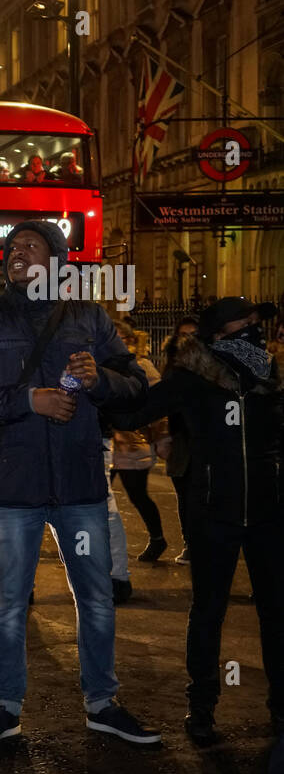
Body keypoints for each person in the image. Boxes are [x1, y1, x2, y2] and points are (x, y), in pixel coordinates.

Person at [0, 220, 160, 749]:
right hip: (14, 484)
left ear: (59, 260)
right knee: (9, 603)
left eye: (31, 246)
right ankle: (5, 708)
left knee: (95, 599)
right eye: (12, 247)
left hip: (80, 482)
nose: (17, 253)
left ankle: (102, 703)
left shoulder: (89, 317)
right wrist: (28, 401)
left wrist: (100, 381)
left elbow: (136, 389)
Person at [111, 297, 284, 743]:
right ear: (220, 333)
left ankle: (280, 708)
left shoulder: (268, 374)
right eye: (244, 323)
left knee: (276, 612)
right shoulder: (191, 376)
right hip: (212, 511)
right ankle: (202, 707)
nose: (254, 330)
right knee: (209, 610)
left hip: (267, 510)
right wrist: (104, 380)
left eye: (256, 322)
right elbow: (134, 411)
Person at [107, 322, 167, 562]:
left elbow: (159, 404)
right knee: (97, 498)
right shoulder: (100, 364)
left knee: (137, 495)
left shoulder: (141, 366)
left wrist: (162, 437)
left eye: (121, 338)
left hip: (132, 442)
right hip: (106, 444)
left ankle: (157, 538)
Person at [158, 317, 199, 565]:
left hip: (206, 443)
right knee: (184, 497)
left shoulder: (212, 368)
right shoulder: (173, 370)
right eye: (183, 335)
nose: (187, 340)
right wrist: (163, 436)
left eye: (193, 335)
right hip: (181, 442)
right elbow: (164, 404)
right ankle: (190, 544)